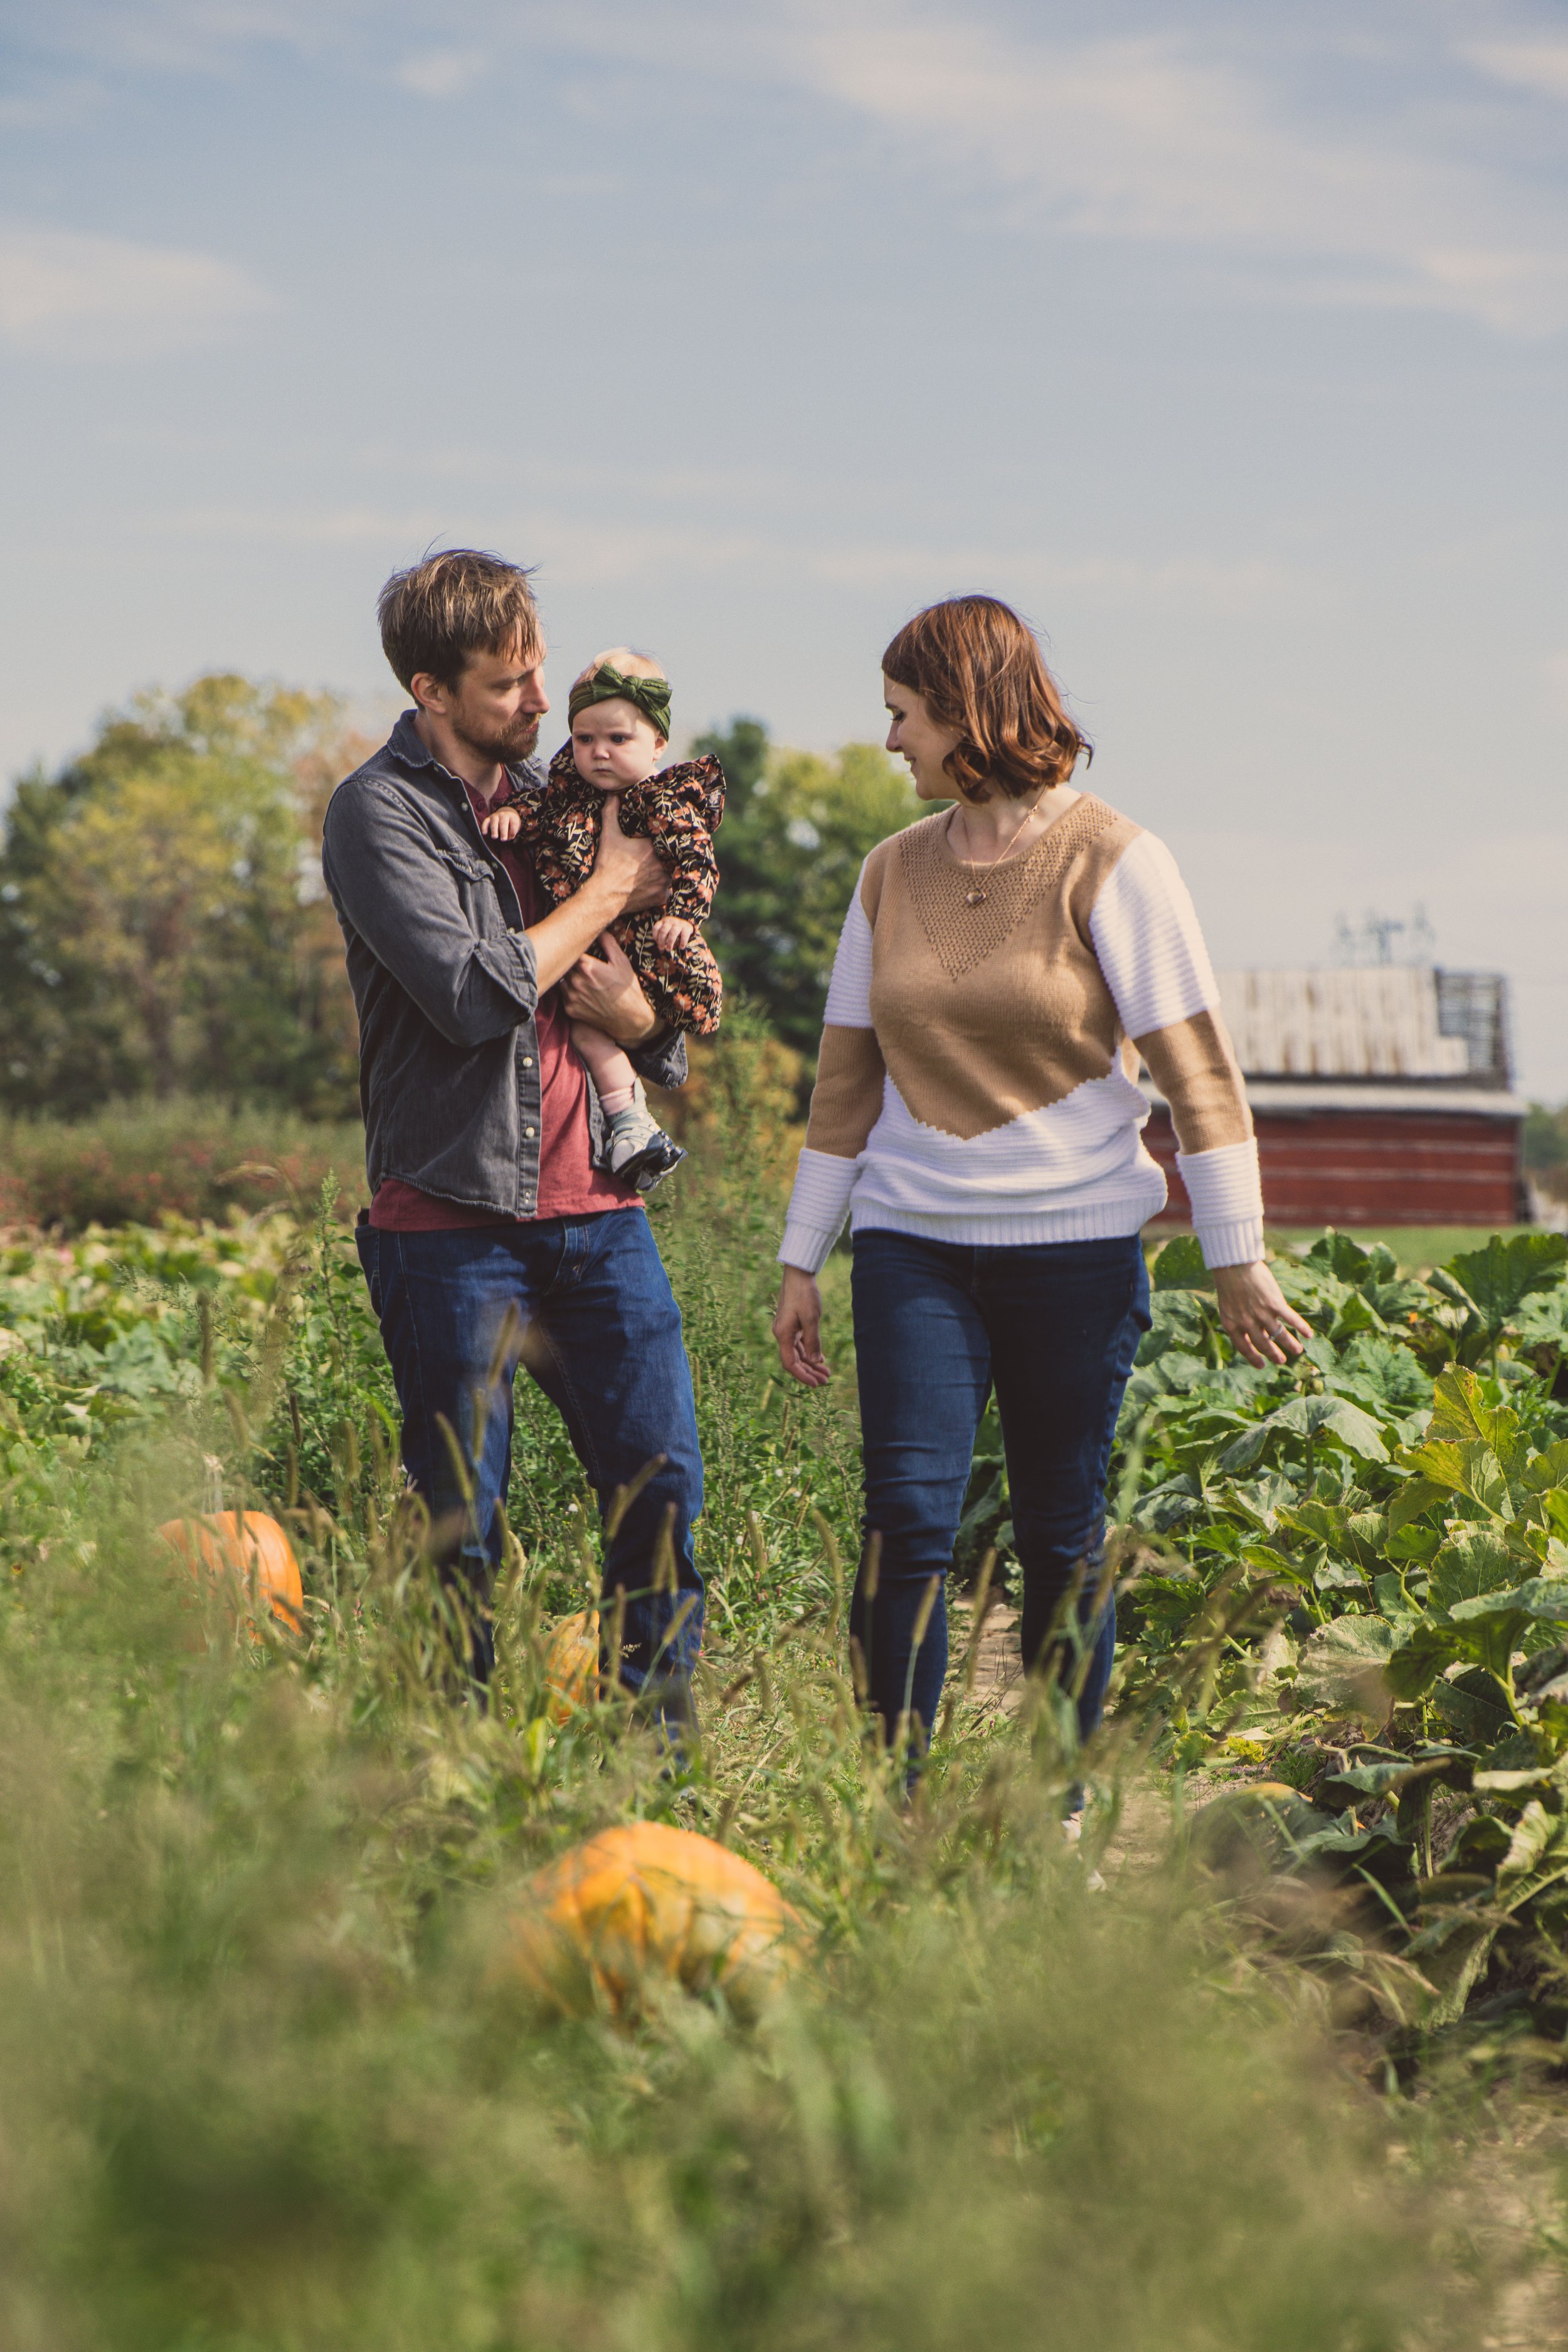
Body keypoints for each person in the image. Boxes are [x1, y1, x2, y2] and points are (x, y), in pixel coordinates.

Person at [771, 595, 1309, 1791]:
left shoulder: (1117, 860)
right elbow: (846, 1079)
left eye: (903, 714)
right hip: (914, 1247)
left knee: (1061, 1537)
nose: (891, 740)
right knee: (907, 1523)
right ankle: (894, 1798)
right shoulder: (887, 874)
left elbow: (1198, 1073)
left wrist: (1236, 1253)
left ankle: (1061, 1797)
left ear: (969, 712)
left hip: (1073, 1255)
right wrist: (805, 1255)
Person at [320, 549, 705, 1718]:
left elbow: (651, 1016)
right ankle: (459, 1775)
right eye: (508, 686)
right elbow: (469, 993)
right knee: (461, 1529)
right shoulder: (377, 813)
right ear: (432, 690)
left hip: (598, 1212)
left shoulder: (564, 806)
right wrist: (606, 890)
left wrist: (643, 1019)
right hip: (449, 1225)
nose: (541, 707)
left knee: (661, 1488)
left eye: (541, 677)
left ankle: (657, 1763)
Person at [481, 647, 725, 1192]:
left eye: (619, 740)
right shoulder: (565, 795)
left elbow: (695, 857)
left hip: (651, 947)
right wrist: (512, 815)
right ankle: (631, 1124)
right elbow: (539, 811)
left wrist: (685, 913)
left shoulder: (663, 801)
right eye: (585, 739)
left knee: (599, 1021)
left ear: (658, 744)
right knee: (586, 1026)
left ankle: (632, 1123)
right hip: (587, 950)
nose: (599, 753)